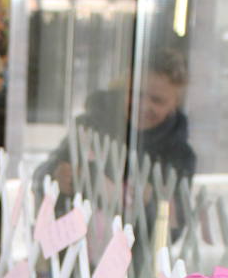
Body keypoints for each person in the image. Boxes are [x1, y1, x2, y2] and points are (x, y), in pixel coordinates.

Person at [40, 49, 197, 204]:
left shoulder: (180, 157)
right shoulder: (89, 127)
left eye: (157, 100)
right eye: (136, 94)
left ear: (175, 105)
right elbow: (40, 176)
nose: (142, 106)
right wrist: (56, 174)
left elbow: (179, 221)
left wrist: (153, 202)